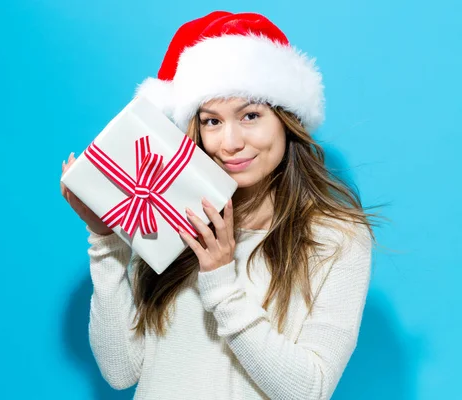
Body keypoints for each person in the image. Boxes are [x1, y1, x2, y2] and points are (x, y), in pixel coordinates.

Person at [60, 11, 382, 400]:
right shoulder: (169, 215)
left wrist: (220, 280)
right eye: (211, 121)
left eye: (250, 116)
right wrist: (105, 238)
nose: (229, 143)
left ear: (287, 120)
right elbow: (119, 371)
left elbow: (309, 389)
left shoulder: (336, 238)